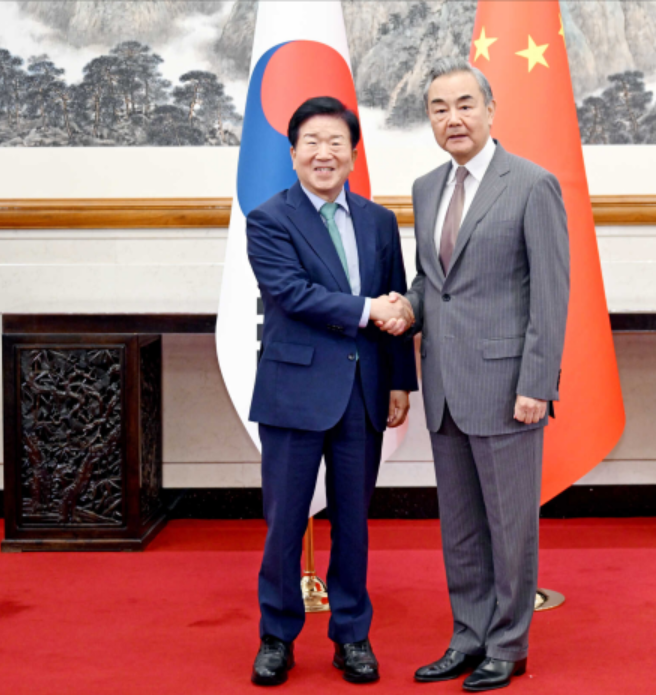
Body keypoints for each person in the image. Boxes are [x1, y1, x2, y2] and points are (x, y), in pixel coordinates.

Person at [378, 58, 570, 692]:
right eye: (439, 108)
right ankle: (468, 635)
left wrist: (537, 383)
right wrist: (408, 307)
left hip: (507, 388)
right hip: (444, 386)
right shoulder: (426, 188)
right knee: (460, 528)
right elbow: (433, 282)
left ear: (490, 110)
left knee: (510, 528)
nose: (452, 118)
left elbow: (551, 294)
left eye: (464, 104)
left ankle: (508, 644)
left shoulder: (533, 184)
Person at [246, 96, 417, 687]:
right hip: (294, 392)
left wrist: (400, 379)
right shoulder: (269, 219)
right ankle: (276, 636)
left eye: (336, 142)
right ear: (293, 153)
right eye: (312, 142)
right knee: (285, 522)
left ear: (353, 154)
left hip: (363, 392)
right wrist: (370, 309)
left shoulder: (378, 221)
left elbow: (397, 300)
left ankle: (351, 635)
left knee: (354, 523)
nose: (324, 153)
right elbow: (292, 294)